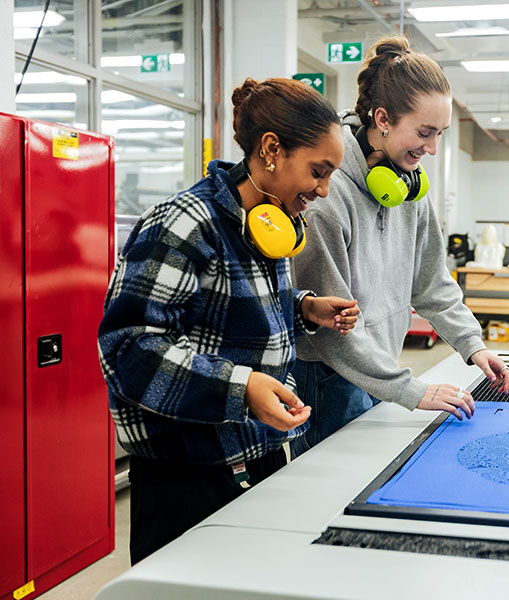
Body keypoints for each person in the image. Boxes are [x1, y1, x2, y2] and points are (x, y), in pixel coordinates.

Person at [97, 77, 359, 565]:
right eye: (318, 172)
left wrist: (302, 307)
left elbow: (225, 310)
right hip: (186, 475)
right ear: (272, 149)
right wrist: (243, 388)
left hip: (255, 455)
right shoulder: (184, 223)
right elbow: (129, 347)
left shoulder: (271, 220)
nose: (323, 190)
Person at [291, 37, 509, 457]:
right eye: (424, 133)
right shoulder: (327, 197)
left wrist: (473, 344)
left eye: (440, 134)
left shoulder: (410, 188)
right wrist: (411, 389)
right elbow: (332, 331)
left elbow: (431, 282)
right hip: (329, 377)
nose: (431, 148)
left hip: (383, 366)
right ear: (383, 118)